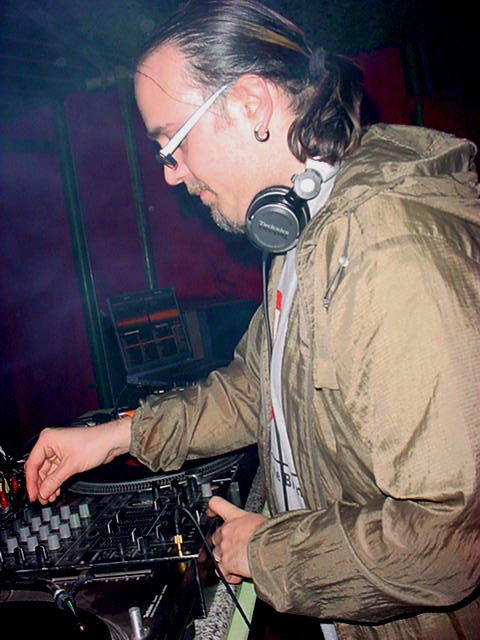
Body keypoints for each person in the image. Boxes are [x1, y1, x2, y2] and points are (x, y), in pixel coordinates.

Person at [25, 0, 480, 637]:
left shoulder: (385, 248)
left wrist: (266, 551)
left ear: (249, 104)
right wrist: (113, 437)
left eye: (172, 143)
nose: (171, 175)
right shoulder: (301, 232)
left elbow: (450, 540)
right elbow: (252, 388)